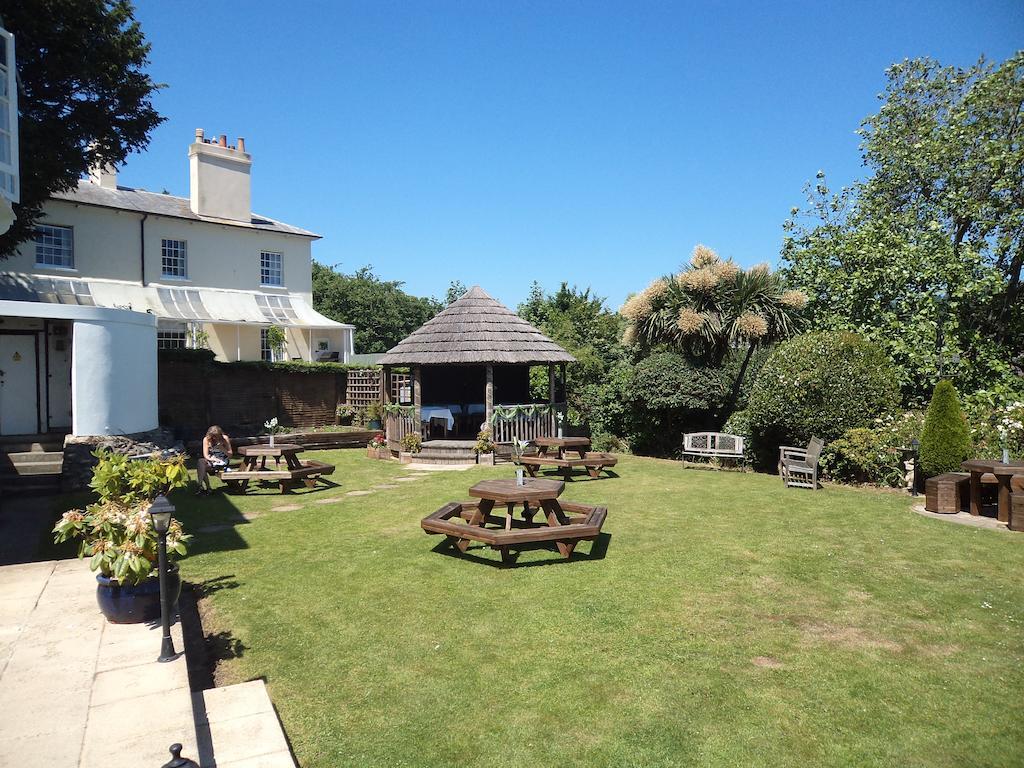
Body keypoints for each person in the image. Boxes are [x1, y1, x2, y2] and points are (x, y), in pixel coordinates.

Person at [197, 425, 233, 495]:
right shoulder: (206, 439)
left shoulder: (225, 438)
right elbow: (206, 455)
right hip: (212, 461)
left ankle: (202, 487)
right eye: (213, 436)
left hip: (222, 462)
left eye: (216, 436)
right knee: (200, 462)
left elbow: (230, 455)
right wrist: (212, 459)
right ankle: (202, 485)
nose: (214, 438)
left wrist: (221, 448)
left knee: (202, 467)